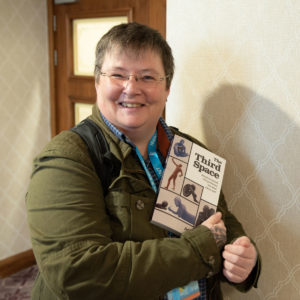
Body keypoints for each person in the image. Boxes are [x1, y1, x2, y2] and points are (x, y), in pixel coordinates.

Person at [26, 22, 261, 300]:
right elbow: (78, 273)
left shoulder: (188, 149)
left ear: (167, 88)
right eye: (117, 74)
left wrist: (242, 256)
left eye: (148, 77)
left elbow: (219, 223)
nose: (131, 87)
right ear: (97, 81)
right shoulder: (67, 158)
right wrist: (199, 249)